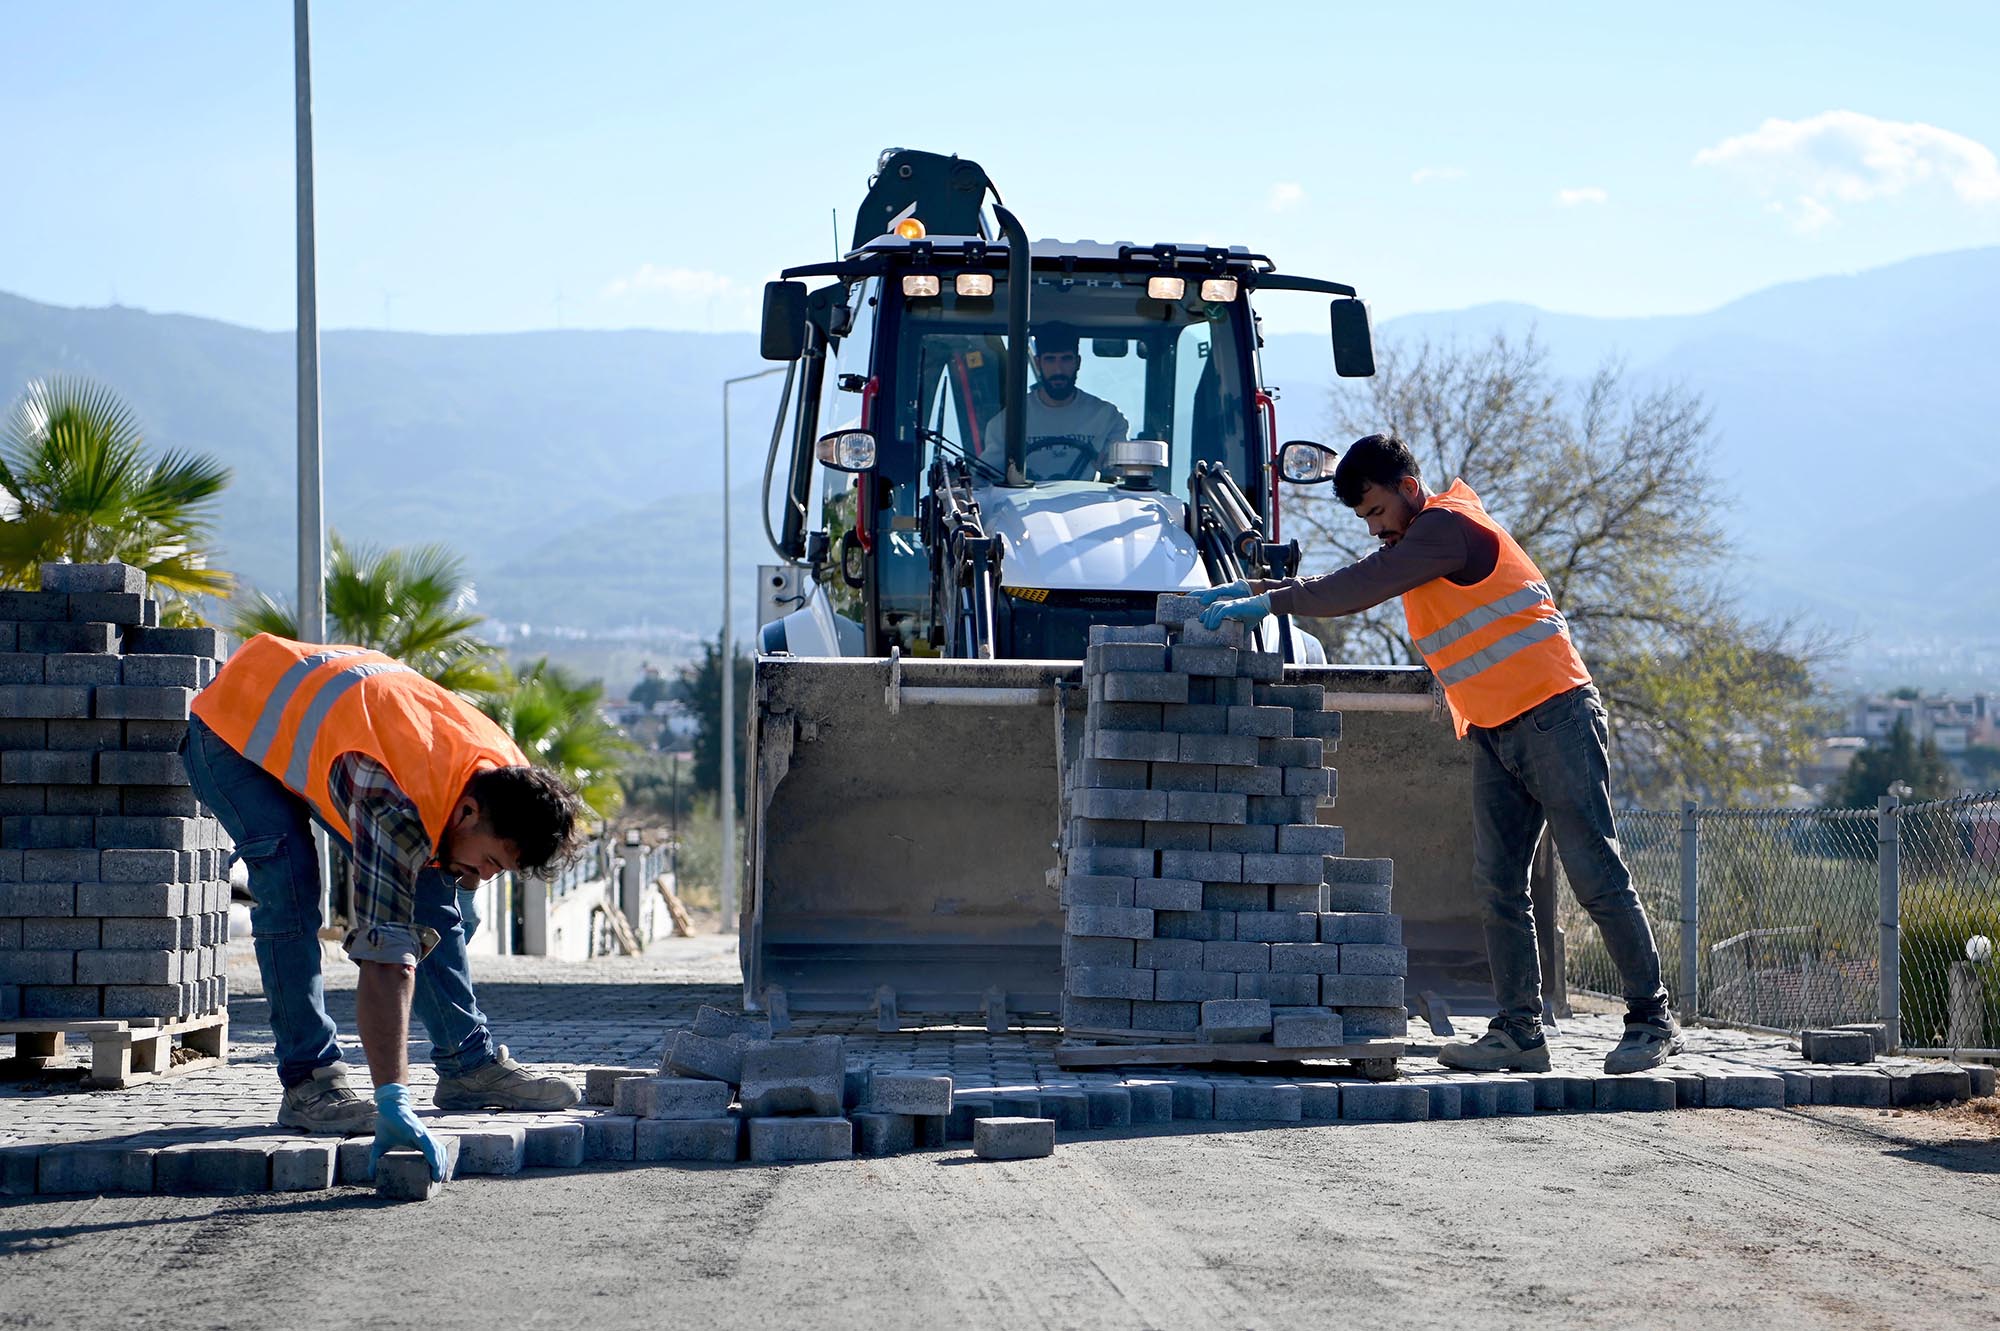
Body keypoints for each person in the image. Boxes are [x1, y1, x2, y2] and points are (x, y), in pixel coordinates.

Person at [1196, 433, 1681, 1075]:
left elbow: (1357, 587)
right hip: (1495, 728)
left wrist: (1269, 597)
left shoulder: (1446, 528)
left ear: (1407, 488)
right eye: (1365, 519)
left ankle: (1651, 1019)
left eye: (1375, 512)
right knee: (1498, 886)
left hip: (1555, 715)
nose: (1374, 529)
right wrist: (1270, 588)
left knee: (1594, 872)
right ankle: (1517, 1034)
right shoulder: (1416, 543)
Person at [182, 633, 587, 1178]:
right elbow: (386, 958)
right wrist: (393, 1097)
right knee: (291, 888)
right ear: (468, 814)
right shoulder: (391, 799)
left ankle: (469, 1067)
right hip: (233, 728)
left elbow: (435, 906)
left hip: (341, 725)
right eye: (490, 862)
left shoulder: (508, 783)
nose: (486, 879)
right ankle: (309, 1083)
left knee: (434, 891)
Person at [985, 323, 1130, 481]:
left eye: (1066, 359)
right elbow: (985, 478)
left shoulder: (1107, 418)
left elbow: (1121, 474)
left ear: (1078, 362)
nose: (1058, 370)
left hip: (1089, 503)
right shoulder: (1007, 423)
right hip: (1023, 502)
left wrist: (1113, 469)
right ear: (1038, 363)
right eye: (1050, 360)